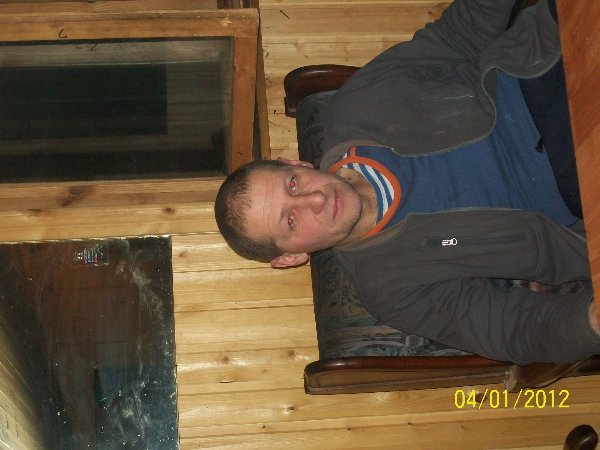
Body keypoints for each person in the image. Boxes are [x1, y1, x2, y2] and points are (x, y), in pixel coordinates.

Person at [215, 0, 600, 365]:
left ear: (295, 163)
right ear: (290, 258)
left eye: (293, 185)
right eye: (291, 221)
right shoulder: (392, 289)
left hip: (540, 65)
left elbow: (458, 35)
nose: (314, 201)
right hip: (578, 190)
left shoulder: (359, 104)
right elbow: (506, 328)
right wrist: (589, 323)